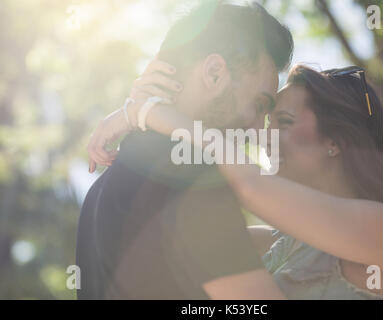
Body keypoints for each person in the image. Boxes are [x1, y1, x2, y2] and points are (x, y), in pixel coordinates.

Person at [89, 60, 383, 299]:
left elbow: (246, 183)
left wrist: (145, 112)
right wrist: (157, 110)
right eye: (266, 124)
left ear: (335, 142)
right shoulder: (275, 244)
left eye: (285, 122)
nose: (263, 138)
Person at [76, 1, 294, 299]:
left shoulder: (102, 185)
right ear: (215, 73)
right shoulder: (189, 174)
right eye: (259, 105)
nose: (258, 129)